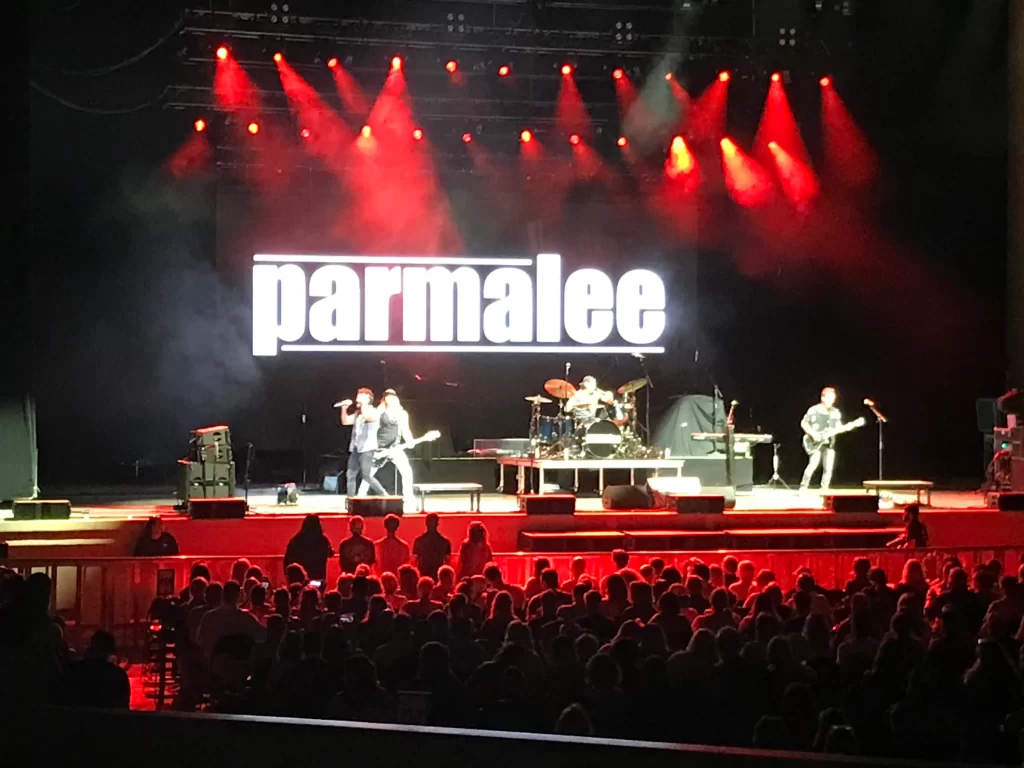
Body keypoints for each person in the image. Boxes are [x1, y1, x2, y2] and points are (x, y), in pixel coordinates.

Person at [54, 630, 130, 709]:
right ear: (110, 651)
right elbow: (124, 708)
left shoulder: (75, 670)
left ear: (90, 646)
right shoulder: (118, 675)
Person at [370, 389, 417, 507]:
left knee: (407, 471)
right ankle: (360, 496)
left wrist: (409, 440)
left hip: (395, 448)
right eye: (387, 396)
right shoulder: (380, 411)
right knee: (368, 474)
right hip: (379, 448)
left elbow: (405, 429)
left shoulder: (402, 413)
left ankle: (408, 497)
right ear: (384, 398)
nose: (390, 398)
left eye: (392, 396)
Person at [196, 580, 266, 659]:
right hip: (241, 666)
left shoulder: (208, 617)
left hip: (215, 665)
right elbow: (262, 636)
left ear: (222, 595)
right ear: (239, 596)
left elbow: (199, 641)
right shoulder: (247, 618)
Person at [339, 387, 388, 497]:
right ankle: (350, 500)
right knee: (350, 474)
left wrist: (364, 404)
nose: (357, 397)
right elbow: (345, 421)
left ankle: (384, 495)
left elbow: (368, 417)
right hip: (356, 448)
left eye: (360, 395)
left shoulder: (374, 412)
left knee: (366, 476)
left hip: (367, 448)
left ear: (367, 398)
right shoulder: (358, 413)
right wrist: (344, 407)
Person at [799, 386, 845, 492]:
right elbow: (803, 423)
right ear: (823, 398)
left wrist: (843, 428)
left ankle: (824, 488)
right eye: (829, 398)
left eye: (833, 399)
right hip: (815, 442)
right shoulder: (813, 410)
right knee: (813, 464)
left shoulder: (835, 412)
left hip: (829, 444)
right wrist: (813, 434)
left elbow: (838, 426)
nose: (832, 401)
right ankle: (803, 486)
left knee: (828, 467)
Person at [284, 515, 334, 582]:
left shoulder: (296, 540)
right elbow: (330, 553)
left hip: (300, 578)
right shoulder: (323, 540)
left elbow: (288, 558)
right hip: (318, 577)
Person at [412, 513, 451, 580]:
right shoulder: (444, 542)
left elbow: (415, 561)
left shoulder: (419, 541)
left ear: (426, 523)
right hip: (437, 575)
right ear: (437, 523)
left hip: (424, 574)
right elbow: (448, 562)